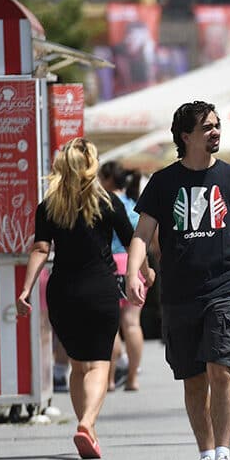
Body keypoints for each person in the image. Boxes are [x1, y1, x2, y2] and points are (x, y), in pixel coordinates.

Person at [126, 100, 230, 460]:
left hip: (226, 286)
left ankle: (224, 453)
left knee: (222, 368)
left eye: (217, 125)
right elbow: (142, 234)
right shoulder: (163, 182)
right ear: (186, 136)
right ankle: (204, 453)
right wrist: (132, 273)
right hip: (179, 292)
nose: (215, 132)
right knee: (192, 377)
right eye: (207, 127)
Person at [16, 138, 154, 459]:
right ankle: (88, 422)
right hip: (99, 289)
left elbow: (40, 248)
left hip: (62, 290)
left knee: (78, 365)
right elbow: (135, 239)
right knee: (98, 365)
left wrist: (25, 289)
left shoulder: (49, 205)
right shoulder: (107, 202)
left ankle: (84, 426)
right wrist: (143, 271)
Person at [99, 161, 145, 392]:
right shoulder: (133, 205)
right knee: (133, 324)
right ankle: (133, 378)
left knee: (111, 326)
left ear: (107, 180)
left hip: (110, 264)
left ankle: (108, 379)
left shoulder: (103, 204)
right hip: (133, 264)